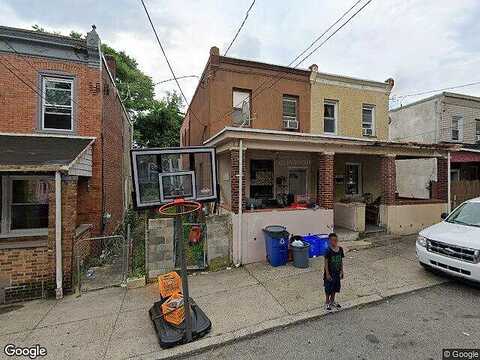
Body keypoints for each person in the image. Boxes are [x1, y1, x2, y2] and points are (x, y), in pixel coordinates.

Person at [323, 232, 344, 311]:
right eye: (332, 240)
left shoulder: (340, 249)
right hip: (330, 273)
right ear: (329, 241)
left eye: (335, 240)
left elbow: (341, 260)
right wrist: (327, 274)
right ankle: (327, 302)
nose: (334, 242)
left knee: (335, 287)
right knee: (328, 288)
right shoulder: (328, 250)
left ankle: (332, 301)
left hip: (337, 273)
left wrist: (342, 271)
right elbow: (326, 263)